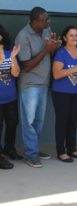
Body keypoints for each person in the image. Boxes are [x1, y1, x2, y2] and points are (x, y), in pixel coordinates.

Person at [15, 7, 62, 168]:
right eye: (45, 19)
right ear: (35, 22)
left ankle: (33, 149)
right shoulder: (23, 36)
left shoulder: (47, 30)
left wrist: (52, 49)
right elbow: (26, 66)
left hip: (44, 82)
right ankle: (30, 154)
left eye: (48, 18)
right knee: (29, 121)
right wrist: (47, 49)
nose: (49, 22)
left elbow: (49, 56)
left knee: (38, 121)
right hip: (29, 84)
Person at [52, 26, 77, 162]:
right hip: (61, 92)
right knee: (62, 122)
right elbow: (56, 74)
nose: (75, 38)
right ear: (64, 38)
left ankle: (72, 149)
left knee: (73, 121)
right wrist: (75, 68)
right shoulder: (61, 53)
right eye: (71, 35)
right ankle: (61, 151)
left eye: (76, 35)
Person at [0, 24, 22, 169]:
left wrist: (13, 58)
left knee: (12, 123)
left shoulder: (10, 52)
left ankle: (9, 149)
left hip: (10, 97)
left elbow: (15, 74)